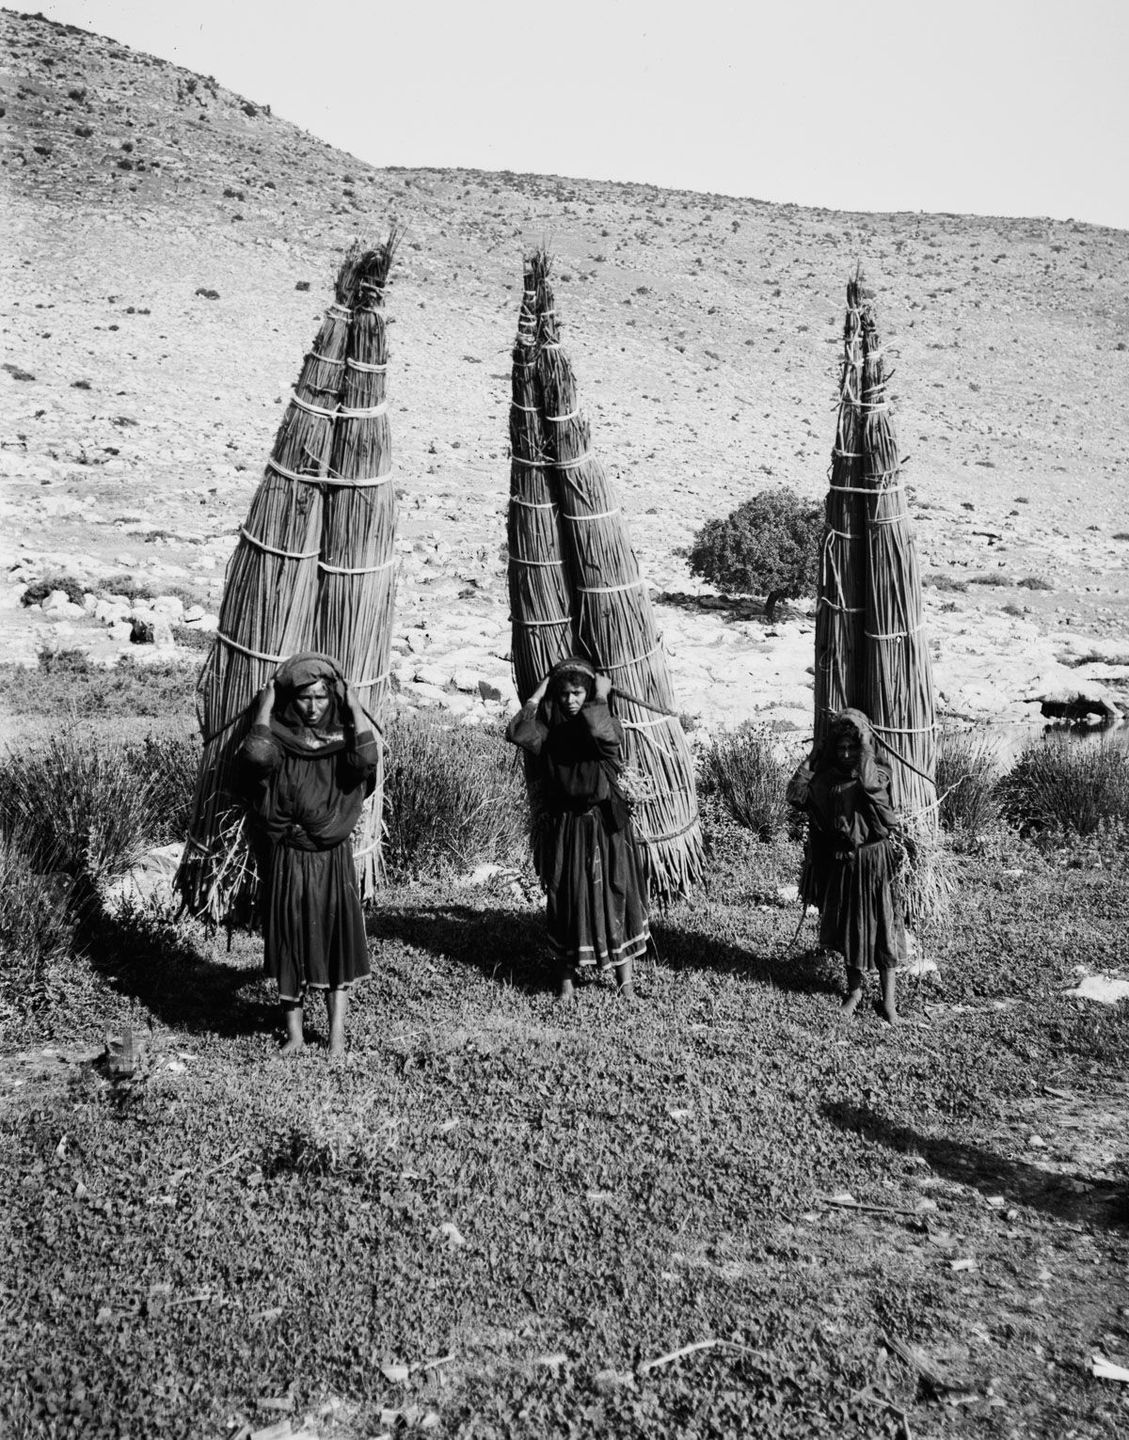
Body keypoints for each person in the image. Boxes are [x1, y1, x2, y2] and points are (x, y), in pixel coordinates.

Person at [238, 651, 379, 1057]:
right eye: (303, 698)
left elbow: (367, 757)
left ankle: (336, 1036)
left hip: (329, 858)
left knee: (334, 943)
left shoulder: (343, 741)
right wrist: (265, 705)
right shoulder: (277, 737)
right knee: (289, 942)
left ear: (331, 697)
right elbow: (255, 757)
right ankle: (296, 1035)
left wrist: (353, 706)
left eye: (321, 697)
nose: (313, 707)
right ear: (289, 699)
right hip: (289, 856)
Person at [506, 656, 649, 1002]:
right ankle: (566, 984)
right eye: (565, 693)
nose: (571, 700)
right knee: (566, 896)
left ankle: (625, 985)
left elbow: (601, 732)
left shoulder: (607, 724)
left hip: (605, 825)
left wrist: (600, 698)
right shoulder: (550, 730)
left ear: (589, 694)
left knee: (616, 893)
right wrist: (538, 693)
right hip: (568, 826)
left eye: (578, 693)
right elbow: (516, 732)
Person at [787, 707, 906, 1024]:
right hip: (847, 863)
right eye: (840, 747)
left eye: (851, 746)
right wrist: (816, 755)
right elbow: (796, 794)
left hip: (876, 861)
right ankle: (854, 991)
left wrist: (865, 743)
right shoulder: (828, 780)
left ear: (864, 745)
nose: (845, 753)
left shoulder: (881, 772)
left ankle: (889, 1002)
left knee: (884, 927)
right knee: (852, 929)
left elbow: (868, 784)